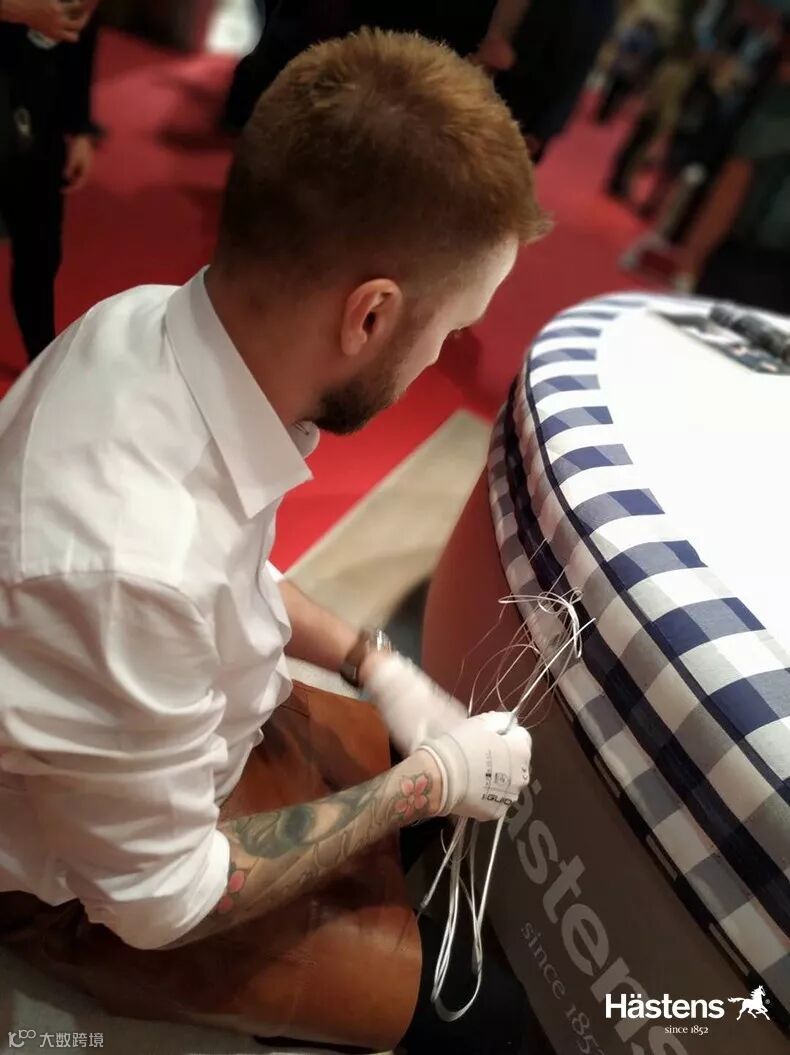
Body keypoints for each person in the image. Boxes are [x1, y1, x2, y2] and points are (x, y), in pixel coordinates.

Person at [0, 30, 550, 1055]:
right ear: (370, 316)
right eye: (449, 331)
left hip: (193, 729)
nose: (443, 357)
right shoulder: (132, 560)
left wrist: (372, 660)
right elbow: (162, 899)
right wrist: (422, 782)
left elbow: (227, 571)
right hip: (87, 890)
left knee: (447, 811)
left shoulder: (152, 323)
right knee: (496, 1029)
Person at [0, 0, 99, 361]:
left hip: (42, 115)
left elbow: (81, 29)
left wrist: (80, 127)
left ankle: (41, 362)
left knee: (41, 252)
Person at [677, 30, 790, 312]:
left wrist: (690, 264)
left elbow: (734, 184)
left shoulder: (778, 108)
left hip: (753, 267)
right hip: (752, 264)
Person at [472, 0, 617, 162]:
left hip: (523, 109)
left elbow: (578, 70)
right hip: (477, 81)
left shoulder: (600, 8)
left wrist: (545, 128)